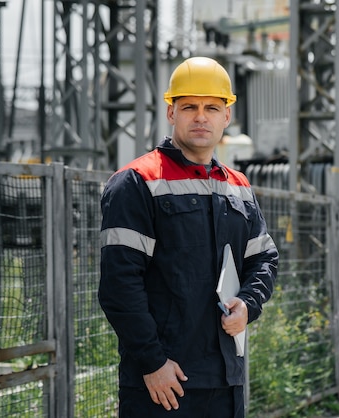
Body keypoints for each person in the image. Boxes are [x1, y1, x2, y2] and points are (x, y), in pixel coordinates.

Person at [98, 56, 279, 418]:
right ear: (171, 112)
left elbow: (264, 259)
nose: (201, 116)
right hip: (164, 382)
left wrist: (248, 304)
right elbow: (119, 285)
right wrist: (152, 362)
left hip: (225, 378)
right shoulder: (137, 182)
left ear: (226, 116)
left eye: (212, 107)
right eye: (189, 107)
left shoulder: (238, 187)